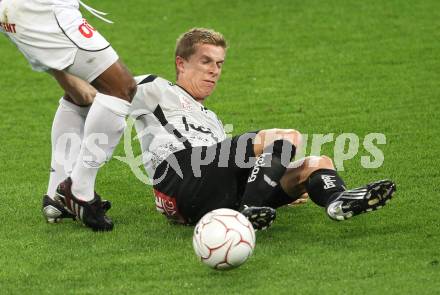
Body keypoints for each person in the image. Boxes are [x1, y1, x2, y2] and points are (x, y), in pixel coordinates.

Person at [128, 28, 396, 230]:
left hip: (212, 195)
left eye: (219, 64)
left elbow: (236, 166)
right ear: (181, 63)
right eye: (206, 61)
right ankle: (249, 209)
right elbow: (103, 93)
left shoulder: (211, 119)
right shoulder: (155, 88)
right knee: (284, 137)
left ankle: (336, 201)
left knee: (316, 164)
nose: (214, 71)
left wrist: (274, 180)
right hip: (180, 173)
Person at [0, 0, 137, 231]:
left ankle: (57, 197)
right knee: (121, 88)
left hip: (23, 12)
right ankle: (79, 191)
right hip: (43, 10)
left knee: (80, 95)